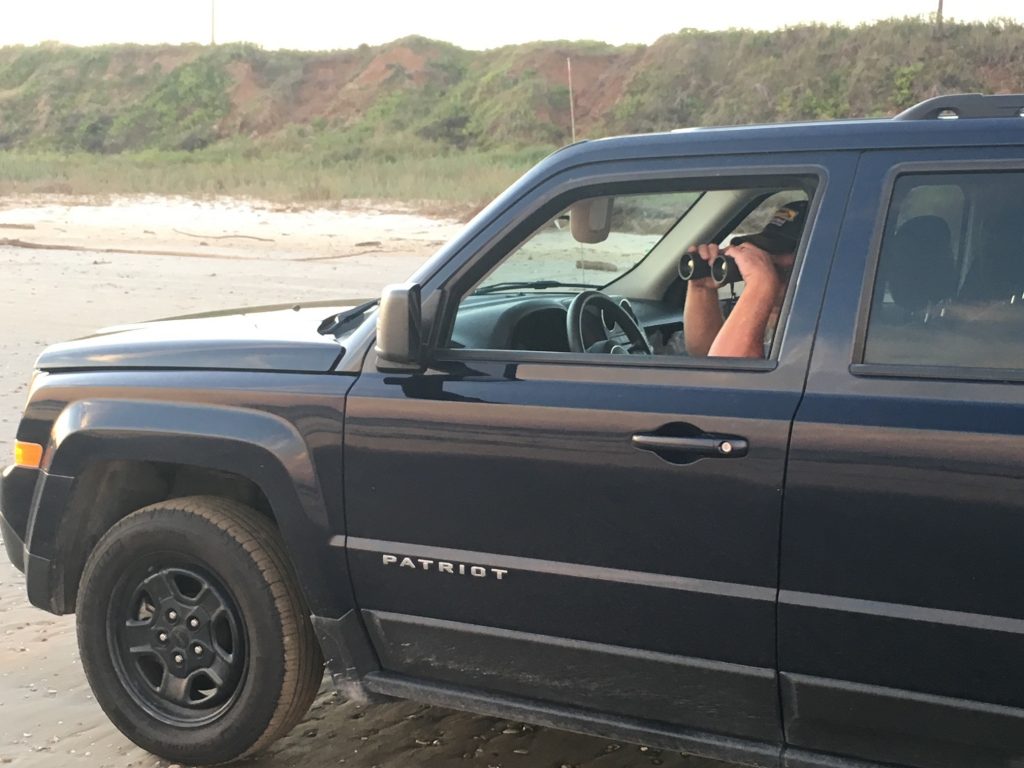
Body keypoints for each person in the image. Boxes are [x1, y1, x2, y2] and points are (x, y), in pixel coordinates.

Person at [683, 200, 808, 359]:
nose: (768, 259)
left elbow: (728, 375)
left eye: (782, 250)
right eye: (765, 249)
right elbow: (705, 356)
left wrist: (761, 284)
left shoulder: (826, 331)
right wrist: (701, 289)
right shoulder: (762, 311)